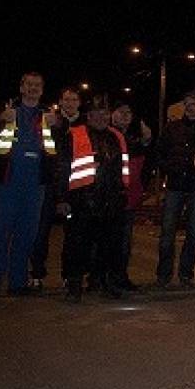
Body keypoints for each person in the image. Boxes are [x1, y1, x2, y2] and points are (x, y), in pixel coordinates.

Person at [0, 71, 58, 297]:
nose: (33, 88)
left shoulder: (49, 115)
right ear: (21, 88)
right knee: (0, 233)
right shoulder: (8, 110)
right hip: (8, 181)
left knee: (26, 235)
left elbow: (65, 132)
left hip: (35, 184)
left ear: (42, 90)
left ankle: (18, 282)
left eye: (38, 85)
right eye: (29, 84)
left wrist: (59, 122)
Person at [55, 94, 130, 303]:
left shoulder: (117, 137)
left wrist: (122, 193)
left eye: (105, 113)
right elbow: (62, 169)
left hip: (110, 200)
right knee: (76, 245)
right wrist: (62, 198)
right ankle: (74, 285)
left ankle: (105, 282)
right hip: (81, 200)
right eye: (97, 113)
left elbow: (122, 168)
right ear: (88, 115)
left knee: (109, 245)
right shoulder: (74, 135)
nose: (101, 117)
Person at [153, 91, 195, 289]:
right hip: (175, 186)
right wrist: (179, 166)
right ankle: (164, 274)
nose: (190, 106)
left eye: (194, 103)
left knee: (194, 234)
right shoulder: (172, 128)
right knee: (167, 233)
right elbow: (160, 156)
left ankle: (186, 274)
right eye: (187, 103)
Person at [29, 86, 83, 292]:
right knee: (41, 232)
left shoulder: (84, 125)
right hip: (49, 184)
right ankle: (36, 274)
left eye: (74, 99)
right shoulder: (50, 122)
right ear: (60, 102)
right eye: (66, 99)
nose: (70, 103)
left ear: (79, 103)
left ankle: (69, 276)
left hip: (75, 187)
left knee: (73, 235)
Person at [110, 99, 154, 291]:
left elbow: (144, 167)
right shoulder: (107, 136)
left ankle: (120, 277)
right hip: (110, 199)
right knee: (107, 240)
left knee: (125, 242)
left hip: (128, 199)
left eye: (128, 112)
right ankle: (103, 278)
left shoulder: (135, 139)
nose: (125, 115)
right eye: (121, 111)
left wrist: (146, 141)